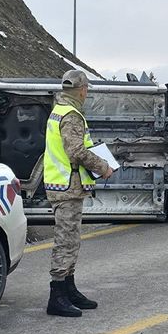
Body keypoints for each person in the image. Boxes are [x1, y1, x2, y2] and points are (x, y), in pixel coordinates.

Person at [43, 69, 113, 317]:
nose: (86, 93)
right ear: (81, 90)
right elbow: (76, 152)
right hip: (66, 188)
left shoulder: (60, 110)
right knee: (66, 242)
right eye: (86, 89)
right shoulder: (71, 115)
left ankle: (69, 289)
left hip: (65, 186)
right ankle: (57, 295)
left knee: (71, 240)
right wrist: (103, 166)